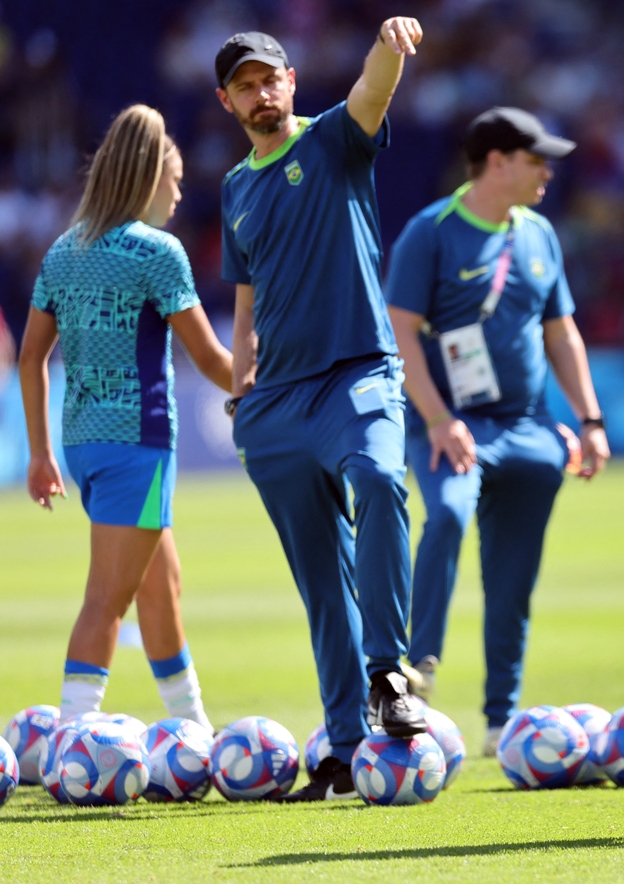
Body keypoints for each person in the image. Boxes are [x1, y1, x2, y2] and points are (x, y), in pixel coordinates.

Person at [215, 20, 426, 801]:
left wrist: (388, 44)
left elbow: (374, 92)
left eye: (271, 79)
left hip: (357, 372)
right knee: (320, 582)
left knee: (378, 477)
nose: (262, 93)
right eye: (246, 84)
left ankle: (389, 674)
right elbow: (246, 298)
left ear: (292, 81)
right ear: (227, 99)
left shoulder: (332, 140)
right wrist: (241, 388)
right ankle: (341, 753)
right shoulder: (237, 186)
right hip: (274, 405)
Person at [386, 107, 610, 756]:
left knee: (513, 581)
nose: (548, 171)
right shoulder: (429, 234)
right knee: (449, 517)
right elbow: (400, 335)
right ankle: (415, 673)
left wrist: (589, 420)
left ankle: (498, 723)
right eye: (536, 159)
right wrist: (436, 418)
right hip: (450, 426)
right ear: (497, 162)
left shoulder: (540, 234)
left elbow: (560, 332)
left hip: (527, 428)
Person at [18, 105, 231, 732]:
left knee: (161, 594)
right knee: (107, 601)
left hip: (84, 446)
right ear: (150, 176)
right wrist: (275, 379)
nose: (179, 191)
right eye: (176, 178)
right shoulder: (158, 252)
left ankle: (194, 731)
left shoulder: (64, 250)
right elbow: (211, 360)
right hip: (137, 444)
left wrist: (40, 453)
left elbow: (30, 359)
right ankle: (73, 739)